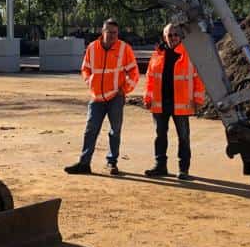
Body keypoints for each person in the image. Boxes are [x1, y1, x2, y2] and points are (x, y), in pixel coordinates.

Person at [64, 18, 139, 176]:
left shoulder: (124, 49)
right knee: (90, 130)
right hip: (96, 97)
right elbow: (85, 68)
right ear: (102, 32)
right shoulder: (92, 48)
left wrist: (124, 89)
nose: (112, 36)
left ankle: (112, 163)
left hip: (115, 97)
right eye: (109, 32)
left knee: (115, 131)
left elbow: (134, 72)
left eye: (115, 33)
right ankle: (84, 164)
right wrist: (89, 81)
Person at [143, 24, 205, 180]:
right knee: (160, 135)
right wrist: (147, 97)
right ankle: (160, 166)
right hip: (159, 103)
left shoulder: (189, 55)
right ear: (164, 37)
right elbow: (150, 79)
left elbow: (198, 79)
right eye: (170, 35)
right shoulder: (157, 56)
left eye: (176, 34)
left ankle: (183, 170)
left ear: (181, 36)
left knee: (183, 137)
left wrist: (198, 98)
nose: (173, 38)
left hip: (181, 103)